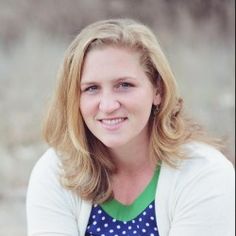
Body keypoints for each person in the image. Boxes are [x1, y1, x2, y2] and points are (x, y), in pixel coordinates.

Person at [26, 19, 235, 236]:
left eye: (124, 85)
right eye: (91, 88)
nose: (107, 105)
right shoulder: (57, 170)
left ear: (158, 90)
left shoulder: (204, 173)